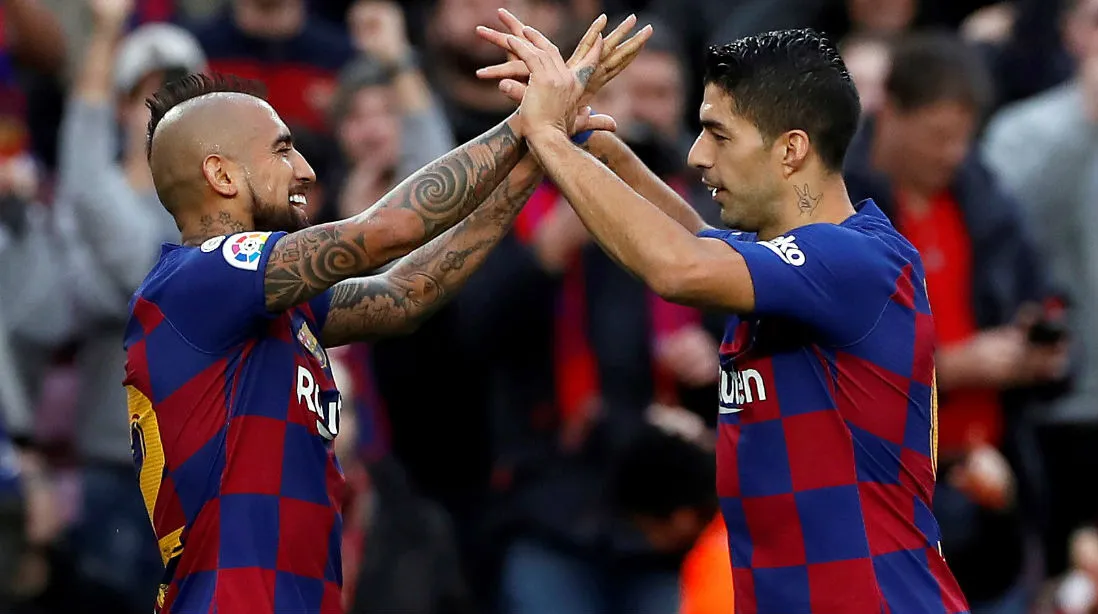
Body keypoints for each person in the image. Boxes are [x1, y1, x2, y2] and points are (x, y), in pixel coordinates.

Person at [122, 14, 650, 614]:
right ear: (220, 174)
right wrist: (524, 121)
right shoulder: (199, 279)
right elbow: (384, 233)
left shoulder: (261, 305)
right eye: (282, 149)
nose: (307, 170)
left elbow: (408, 293)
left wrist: (537, 152)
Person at [477, 19, 970, 614]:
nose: (695, 154)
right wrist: (593, 144)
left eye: (718, 134)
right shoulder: (794, 268)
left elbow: (679, 267)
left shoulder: (857, 259)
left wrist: (547, 138)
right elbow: (699, 238)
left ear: (790, 149)